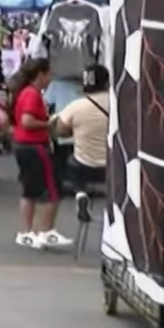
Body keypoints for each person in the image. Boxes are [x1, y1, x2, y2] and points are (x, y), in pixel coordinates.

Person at [8, 57, 72, 249]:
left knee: (30, 190)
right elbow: (27, 121)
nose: (51, 78)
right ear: (40, 75)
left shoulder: (27, 93)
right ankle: (46, 231)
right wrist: (48, 124)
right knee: (50, 190)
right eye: (49, 74)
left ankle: (27, 232)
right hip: (33, 145)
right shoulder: (32, 95)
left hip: (24, 144)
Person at [52, 64, 109, 223]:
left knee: (71, 161)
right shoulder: (119, 104)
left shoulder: (76, 106)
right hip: (112, 165)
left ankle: (80, 193)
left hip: (84, 165)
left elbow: (61, 131)